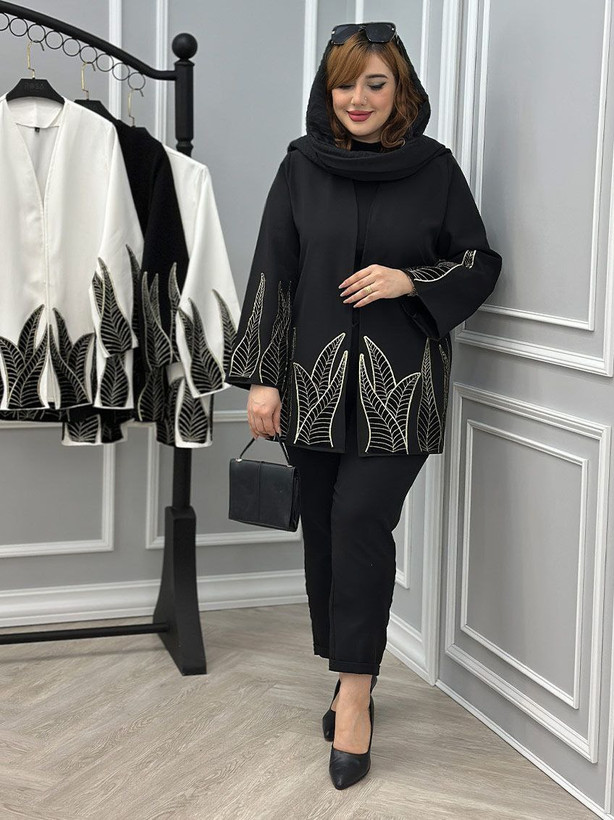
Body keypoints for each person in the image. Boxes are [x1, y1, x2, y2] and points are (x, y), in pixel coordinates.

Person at [226, 21, 502, 789]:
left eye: (374, 83)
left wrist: (410, 280)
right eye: (344, 83)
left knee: (360, 523)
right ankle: (351, 669)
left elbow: (479, 261)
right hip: (309, 384)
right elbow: (274, 269)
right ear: (328, 91)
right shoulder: (300, 166)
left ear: (399, 89)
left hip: (398, 388)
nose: (358, 98)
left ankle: (353, 699)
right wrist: (262, 379)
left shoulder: (435, 170)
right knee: (324, 530)